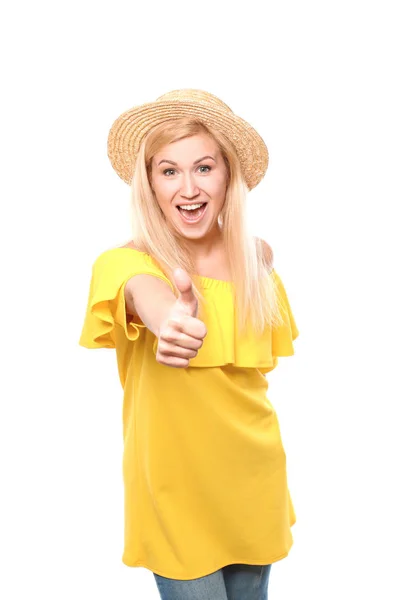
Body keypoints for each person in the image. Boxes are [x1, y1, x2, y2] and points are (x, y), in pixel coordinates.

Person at [79, 89, 299, 600]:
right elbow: (149, 299)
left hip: (254, 478)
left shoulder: (253, 261)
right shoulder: (126, 264)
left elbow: (259, 257)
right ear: (150, 183)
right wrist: (169, 322)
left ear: (227, 176)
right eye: (168, 171)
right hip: (176, 496)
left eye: (203, 167)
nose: (188, 187)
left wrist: (258, 257)